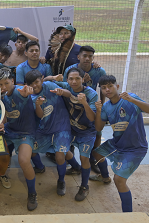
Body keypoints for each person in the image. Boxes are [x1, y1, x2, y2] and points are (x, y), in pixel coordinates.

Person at [91, 75, 149, 212]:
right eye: (104, 88)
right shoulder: (107, 107)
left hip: (135, 148)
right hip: (117, 144)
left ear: (117, 86)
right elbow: (98, 128)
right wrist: (98, 111)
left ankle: (128, 215)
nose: (107, 89)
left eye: (110, 86)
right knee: (96, 153)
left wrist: (132, 100)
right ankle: (104, 177)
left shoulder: (130, 98)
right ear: (101, 91)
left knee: (119, 180)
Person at [0, 68, 43, 211]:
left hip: (26, 132)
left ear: (12, 81)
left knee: (23, 160)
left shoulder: (21, 91)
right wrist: (2, 123)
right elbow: (3, 113)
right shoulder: (1, 96)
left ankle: (32, 193)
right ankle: (2, 174)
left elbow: (28, 92)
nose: (3, 87)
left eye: (6, 83)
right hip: (10, 130)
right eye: (0, 84)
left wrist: (28, 93)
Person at [54, 67, 98, 201]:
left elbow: (92, 118)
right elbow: (44, 81)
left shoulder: (91, 94)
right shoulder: (66, 86)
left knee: (85, 158)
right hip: (70, 129)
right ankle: (62, 179)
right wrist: (53, 78)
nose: (74, 81)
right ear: (67, 80)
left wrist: (84, 103)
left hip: (87, 131)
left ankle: (84, 186)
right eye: (71, 79)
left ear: (83, 79)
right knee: (61, 152)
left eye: (77, 78)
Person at [25, 70, 72, 196]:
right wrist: (38, 105)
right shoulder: (30, 97)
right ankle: (40, 167)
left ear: (42, 79)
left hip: (61, 125)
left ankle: (61, 180)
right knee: (32, 151)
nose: (35, 85)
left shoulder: (50, 86)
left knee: (60, 155)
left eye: (36, 82)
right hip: (44, 128)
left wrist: (62, 92)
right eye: (31, 83)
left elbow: (69, 94)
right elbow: (40, 115)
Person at [63, 45, 107, 173]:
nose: (87, 59)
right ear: (79, 57)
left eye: (90, 56)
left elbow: (103, 87)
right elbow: (66, 85)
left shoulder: (99, 71)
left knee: (97, 134)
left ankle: (93, 160)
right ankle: (72, 164)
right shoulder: (70, 69)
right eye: (84, 56)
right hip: (73, 107)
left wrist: (101, 105)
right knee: (71, 134)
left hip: (91, 107)